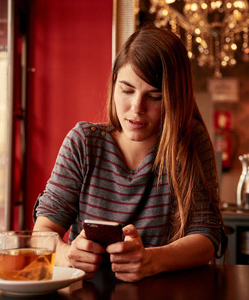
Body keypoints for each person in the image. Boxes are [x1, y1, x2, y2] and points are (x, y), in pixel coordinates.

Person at [33, 25, 227, 282]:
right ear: (113, 84)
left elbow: (207, 236)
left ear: (175, 99)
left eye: (155, 96)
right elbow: (41, 234)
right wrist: (68, 254)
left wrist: (151, 261)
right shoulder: (83, 143)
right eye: (127, 90)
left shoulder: (190, 142)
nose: (137, 108)